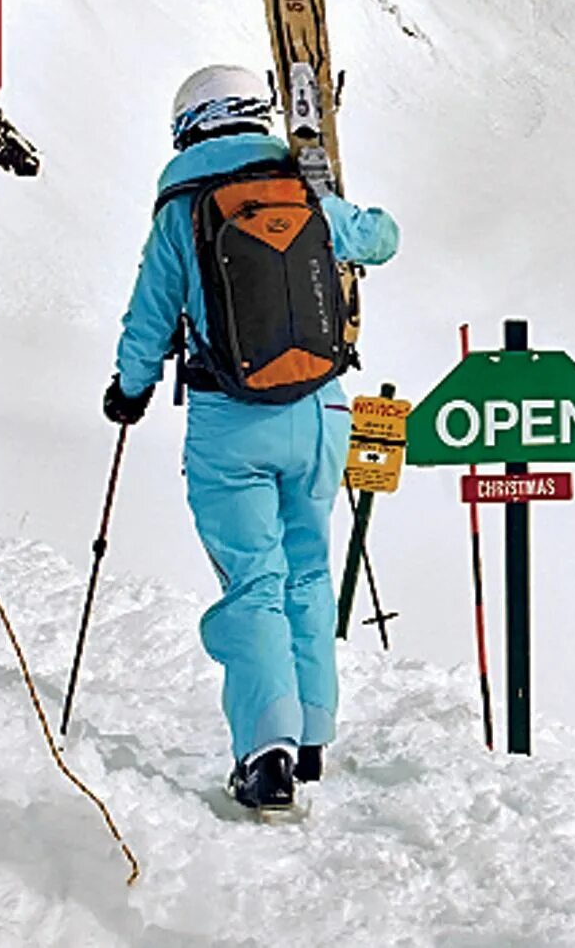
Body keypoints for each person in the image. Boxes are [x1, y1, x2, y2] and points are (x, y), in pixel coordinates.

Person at [104, 63, 399, 812]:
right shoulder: (305, 192)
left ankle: (264, 751)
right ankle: (311, 740)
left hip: (231, 422)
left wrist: (128, 393)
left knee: (254, 583)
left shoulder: (182, 208)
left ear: (189, 126)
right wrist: (338, 201)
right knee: (308, 572)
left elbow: (149, 318)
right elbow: (381, 240)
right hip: (322, 411)